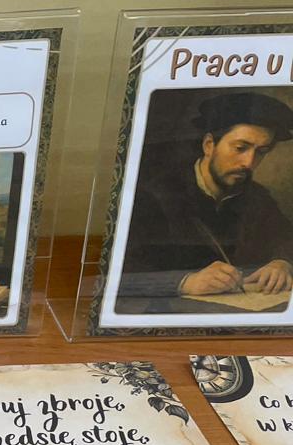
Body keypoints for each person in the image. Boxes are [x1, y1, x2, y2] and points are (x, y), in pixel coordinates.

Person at [117, 91, 293, 305]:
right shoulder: (154, 195)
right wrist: (185, 282)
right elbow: (119, 272)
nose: (249, 162)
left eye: (261, 151)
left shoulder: (257, 197)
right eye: (240, 148)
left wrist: (282, 262)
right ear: (209, 144)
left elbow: (285, 237)